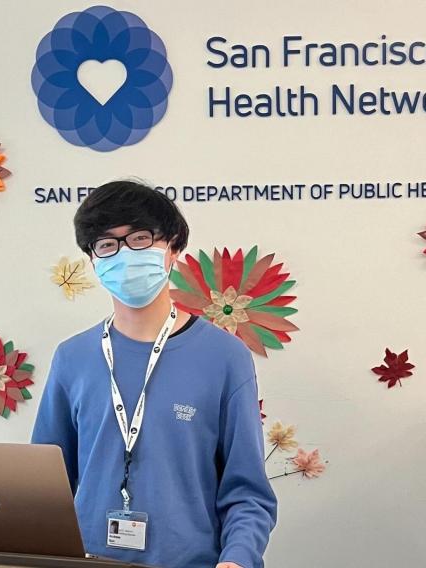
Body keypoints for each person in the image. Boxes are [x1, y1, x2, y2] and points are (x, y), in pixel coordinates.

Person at [32, 180, 277, 568]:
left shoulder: (225, 357)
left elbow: (247, 490)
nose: (124, 254)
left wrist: (237, 558)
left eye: (141, 239)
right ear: (93, 259)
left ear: (174, 248)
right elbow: (41, 488)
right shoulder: (72, 357)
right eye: (107, 245)